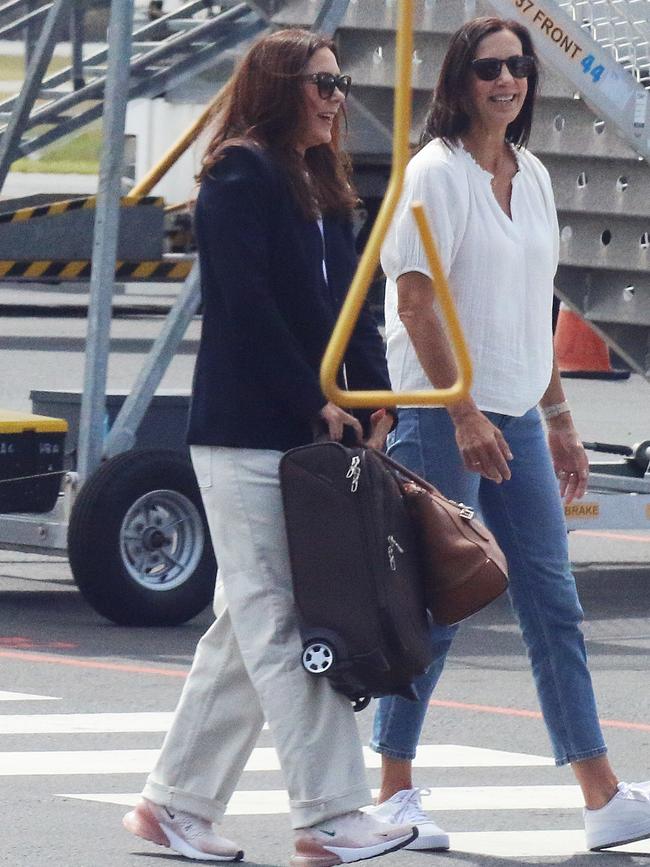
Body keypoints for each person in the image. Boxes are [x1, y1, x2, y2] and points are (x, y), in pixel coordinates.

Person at [122, 28, 418, 865]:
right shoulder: (239, 173)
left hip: (308, 431)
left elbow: (354, 302)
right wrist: (314, 397)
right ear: (281, 86)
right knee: (285, 619)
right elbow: (245, 306)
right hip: (248, 431)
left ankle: (170, 804)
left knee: (241, 631)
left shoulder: (321, 177)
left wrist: (371, 394)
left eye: (340, 81)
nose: (336, 98)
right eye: (321, 83)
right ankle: (329, 814)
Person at [365, 15, 650, 855]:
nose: (508, 80)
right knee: (438, 604)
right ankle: (393, 790)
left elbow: (536, 306)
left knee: (554, 602)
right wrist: (461, 410)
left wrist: (559, 419)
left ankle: (600, 793)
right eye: (490, 67)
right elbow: (415, 302)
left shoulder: (531, 175)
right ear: (459, 80)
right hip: (440, 417)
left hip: (518, 418)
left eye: (519, 67)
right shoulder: (434, 175)